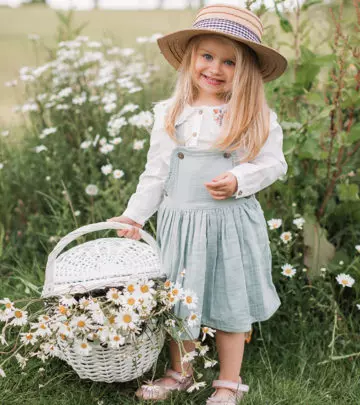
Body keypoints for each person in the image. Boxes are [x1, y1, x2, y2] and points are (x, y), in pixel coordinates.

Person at [107, 4, 288, 404]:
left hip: (229, 224)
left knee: (229, 297)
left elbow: (274, 163)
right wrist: (135, 216)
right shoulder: (171, 114)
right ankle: (181, 372)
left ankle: (229, 381)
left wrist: (240, 178)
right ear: (191, 58)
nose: (216, 68)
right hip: (179, 223)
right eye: (207, 56)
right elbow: (157, 173)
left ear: (247, 72)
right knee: (178, 298)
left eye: (230, 62)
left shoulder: (254, 114)